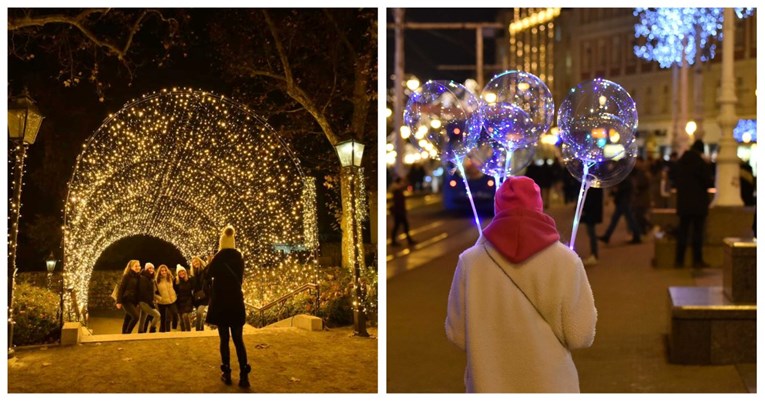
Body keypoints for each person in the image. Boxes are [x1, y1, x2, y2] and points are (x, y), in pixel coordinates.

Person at [445, 176, 597, 392]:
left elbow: (457, 335)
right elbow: (581, 336)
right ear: (539, 207)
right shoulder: (567, 260)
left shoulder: (470, 262)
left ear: (498, 208)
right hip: (551, 386)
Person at [205, 225, 250, 388]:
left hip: (221, 303)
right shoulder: (239, 257)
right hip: (236, 302)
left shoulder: (219, 257)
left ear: (221, 242)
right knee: (238, 339)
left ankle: (227, 372)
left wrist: (211, 261)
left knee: (224, 339)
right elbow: (241, 277)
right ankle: (244, 376)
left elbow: (207, 275)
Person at [673, 140, 714, 268]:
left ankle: (679, 261)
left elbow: (675, 180)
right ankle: (697, 260)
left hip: (684, 203)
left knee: (683, 232)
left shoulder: (681, 162)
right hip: (698, 203)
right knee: (697, 233)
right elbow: (708, 182)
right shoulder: (701, 163)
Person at [599, 169, 642, 244]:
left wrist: (615, 194)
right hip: (623, 202)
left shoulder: (626, 180)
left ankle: (637, 235)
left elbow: (621, 191)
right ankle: (607, 236)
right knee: (621, 219)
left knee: (628, 219)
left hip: (624, 202)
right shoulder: (627, 179)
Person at [115, 260, 142, 334]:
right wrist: (118, 301)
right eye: (136, 266)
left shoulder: (138, 276)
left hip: (134, 301)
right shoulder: (127, 276)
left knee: (128, 318)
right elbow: (121, 289)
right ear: (131, 267)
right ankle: (128, 333)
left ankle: (124, 334)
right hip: (126, 300)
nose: (138, 267)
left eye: (139, 265)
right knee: (136, 317)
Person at [580, 187, 603, 266]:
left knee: (591, 233)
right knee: (591, 232)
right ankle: (594, 254)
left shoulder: (593, 186)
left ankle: (594, 255)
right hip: (592, 212)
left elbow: (590, 199)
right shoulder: (595, 185)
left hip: (591, 212)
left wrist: (584, 209)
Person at [390, 176, 415, 247]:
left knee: (399, 226)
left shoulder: (397, 190)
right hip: (399, 212)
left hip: (399, 212)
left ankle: (396, 241)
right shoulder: (397, 191)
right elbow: (399, 203)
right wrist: (402, 211)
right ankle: (396, 241)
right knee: (402, 226)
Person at [137, 262, 160, 333]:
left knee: (143, 318)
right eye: (149, 268)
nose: (151, 269)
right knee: (157, 315)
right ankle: (152, 329)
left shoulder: (149, 278)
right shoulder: (143, 278)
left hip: (145, 301)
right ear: (146, 269)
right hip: (144, 302)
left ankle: (140, 332)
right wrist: (151, 303)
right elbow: (144, 292)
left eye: (152, 268)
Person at [155, 264, 178, 332]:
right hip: (162, 302)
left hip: (172, 300)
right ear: (159, 272)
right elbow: (154, 292)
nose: (164, 272)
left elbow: (175, 287)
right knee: (163, 318)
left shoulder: (171, 278)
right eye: (162, 271)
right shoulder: (156, 281)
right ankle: (162, 332)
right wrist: (159, 298)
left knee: (175, 314)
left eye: (165, 270)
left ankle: (174, 327)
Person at [190, 256, 210, 331]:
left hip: (205, 296)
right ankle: (201, 331)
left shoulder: (204, 271)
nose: (196, 263)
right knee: (200, 314)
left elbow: (209, 270)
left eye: (197, 261)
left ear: (200, 261)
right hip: (197, 298)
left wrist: (210, 261)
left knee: (199, 313)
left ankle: (197, 331)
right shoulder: (193, 275)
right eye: (194, 262)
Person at [174, 264, 194, 332]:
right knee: (181, 320)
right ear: (178, 273)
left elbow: (193, 288)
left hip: (188, 300)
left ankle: (188, 331)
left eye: (183, 271)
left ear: (185, 272)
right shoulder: (176, 282)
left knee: (185, 315)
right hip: (179, 302)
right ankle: (183, 333)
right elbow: (174, 291)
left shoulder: (189, 280)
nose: (181, 273)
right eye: (180, 272)